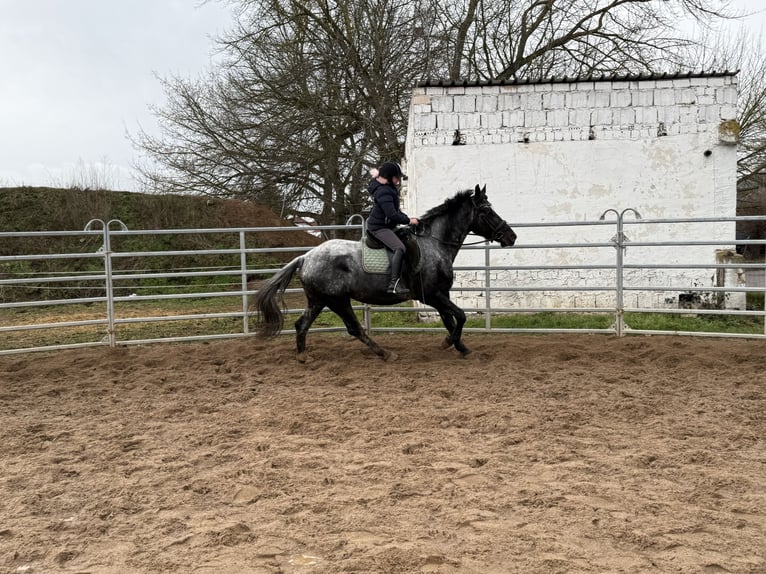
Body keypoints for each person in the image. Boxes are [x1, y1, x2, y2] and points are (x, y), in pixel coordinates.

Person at [367, 161, 419, 294]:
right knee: (399, 248)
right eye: (396, 177)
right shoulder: (384, 192)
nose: (398, 180)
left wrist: (409, 219)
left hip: (387, 225)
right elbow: (392, 215)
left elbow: (396, 211)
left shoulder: (389, 190)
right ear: (389, 177)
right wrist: (408, 220)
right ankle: (394, 284)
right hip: (379, 228)